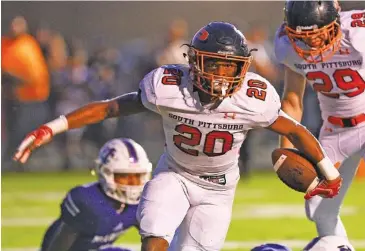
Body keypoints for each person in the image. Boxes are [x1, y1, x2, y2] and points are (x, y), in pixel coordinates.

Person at [14, 22, 342, 251]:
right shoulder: (169, 87)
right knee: (155, 231)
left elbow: (295, 130)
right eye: (213, 64)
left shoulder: (253, 98)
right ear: (194, 61)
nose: (220, 74)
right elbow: (110, 108)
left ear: (243, 68)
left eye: (229, 66)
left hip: (219, 189)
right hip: (176, 172)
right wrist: (50, 128)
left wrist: (329, 174)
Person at [274, 0, 364, 249]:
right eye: (302, 36)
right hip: (334, 130)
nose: (311, 42)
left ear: (336, 23)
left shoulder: (358, 34)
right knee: (319, 207)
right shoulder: (288, 47)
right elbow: (292, 99)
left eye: (319, 34)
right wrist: (287, 151)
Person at [40, 138, 152, 251]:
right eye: (124, 177)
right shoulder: (87, 200)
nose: (132, 184)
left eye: (137, 176)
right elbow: (58, 246)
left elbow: (155, 235)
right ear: (106, 174)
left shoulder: (140, 204)